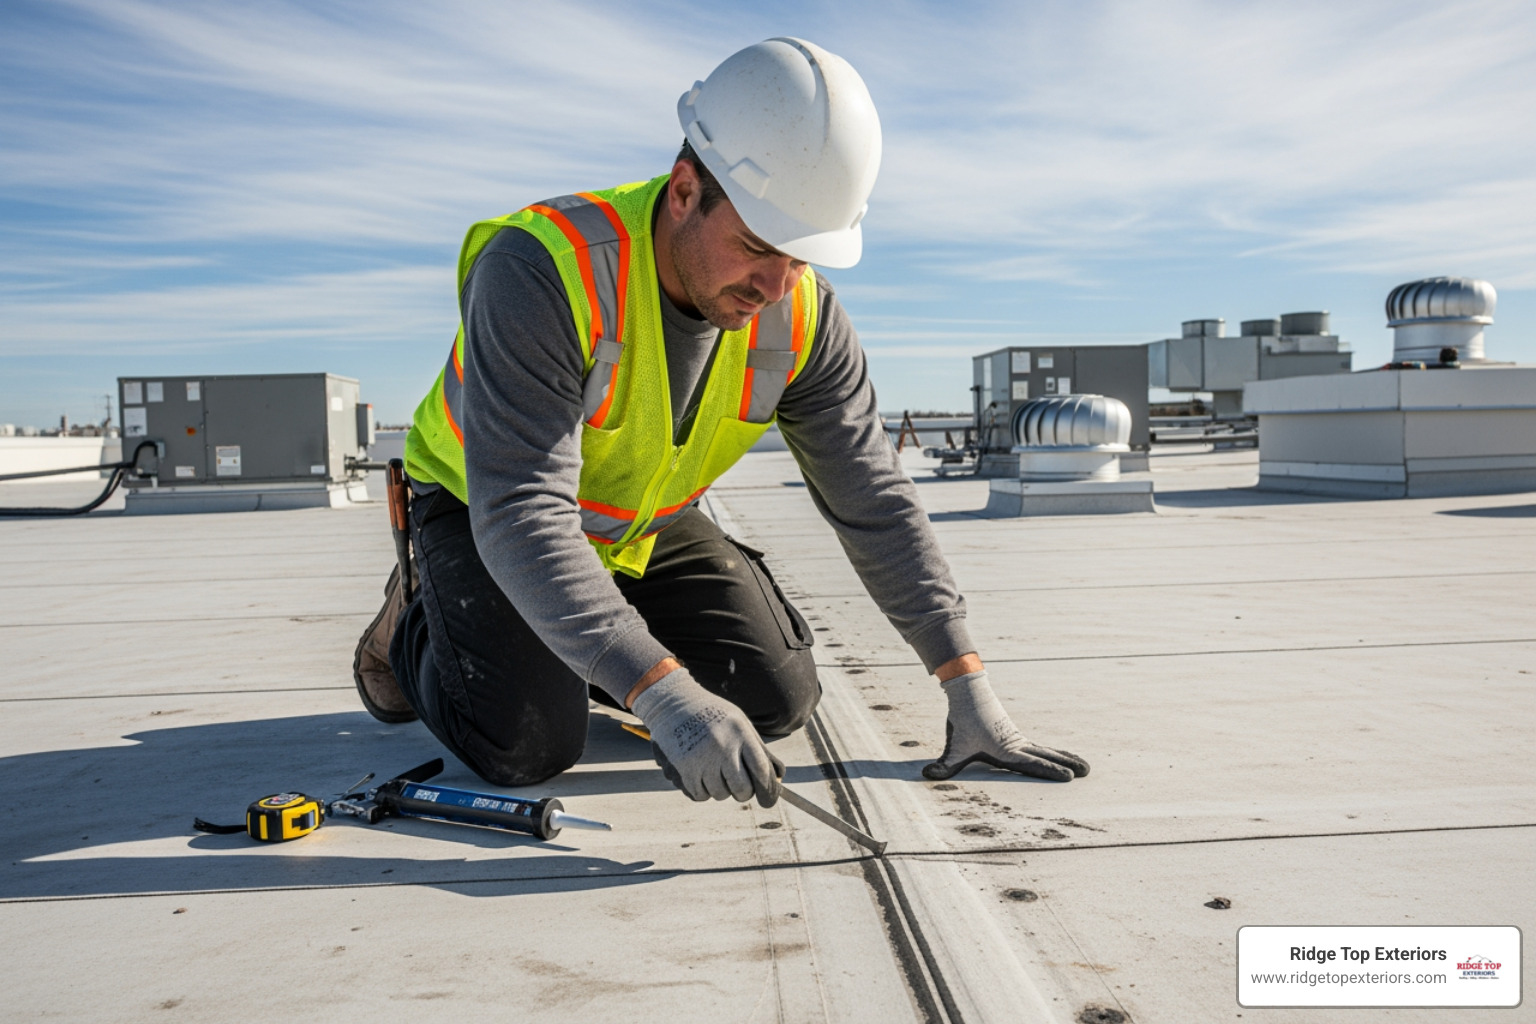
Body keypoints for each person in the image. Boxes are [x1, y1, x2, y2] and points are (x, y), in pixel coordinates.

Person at [353, 37, 1088, 808]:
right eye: (755, 247)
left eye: (800, 258)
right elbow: (522, 510)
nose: (775, 286)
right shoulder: (544, 270)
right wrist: (665, 694)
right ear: (682, 191)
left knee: (774, 700)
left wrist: (966, 683)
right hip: (485, 512)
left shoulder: (803, 315)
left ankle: (589, 652)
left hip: (637, 525)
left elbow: (871, 498)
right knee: (526, 744)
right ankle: (412, 620)